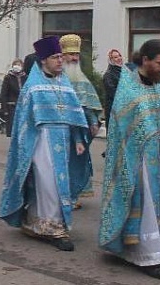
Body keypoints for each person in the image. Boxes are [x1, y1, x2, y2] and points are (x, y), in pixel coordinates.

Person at [99, 39, 160, 281]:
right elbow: (120, 131)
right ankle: (149, 256)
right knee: (141, 205)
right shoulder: (128, 88)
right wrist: (128, 162)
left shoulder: (158, 86)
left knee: (151, 204)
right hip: (134, 161)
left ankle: (134, 249)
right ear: (145, 60)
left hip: (155, 158)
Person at [0, 36, 90, 251]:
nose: (60, 61)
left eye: (60, 57)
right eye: (55, 57)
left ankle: (35, 220)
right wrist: (27, 148)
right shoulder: (33, 87)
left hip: (64, 139)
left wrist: (78, 140)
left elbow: (74, 114)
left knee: (58, 183)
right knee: (47, 183)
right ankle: (53, 228)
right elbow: (24, 122)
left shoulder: (64, 82)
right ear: (43, 60)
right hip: (41, 141)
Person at [59, 34, 101, 206]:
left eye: (76, 54)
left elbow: (88, 104)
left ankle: (74, 193)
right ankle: (63, 194)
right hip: (62, 126)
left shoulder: (81, 77)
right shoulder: (57, 76)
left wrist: (93, 122)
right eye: (70, 54)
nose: (74, 58)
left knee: (77, 160)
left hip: (80, 127)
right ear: (62, 55)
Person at [0, 59, 26, 138]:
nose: (17, 67)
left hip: (23, 106)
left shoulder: (25, 77)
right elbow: (4, 94)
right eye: (16, 64)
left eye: (19, 65)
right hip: (12, 106)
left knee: (23, 128)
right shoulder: (8, 77)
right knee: (13, 128)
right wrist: (4, 109)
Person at [102, 48, 124, 124]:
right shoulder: (109, 75)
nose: (119, 58)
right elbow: (113, 93)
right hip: (114, 110)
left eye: (119, 56)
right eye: (115, 57)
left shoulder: (124, 72)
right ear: (110, 60)